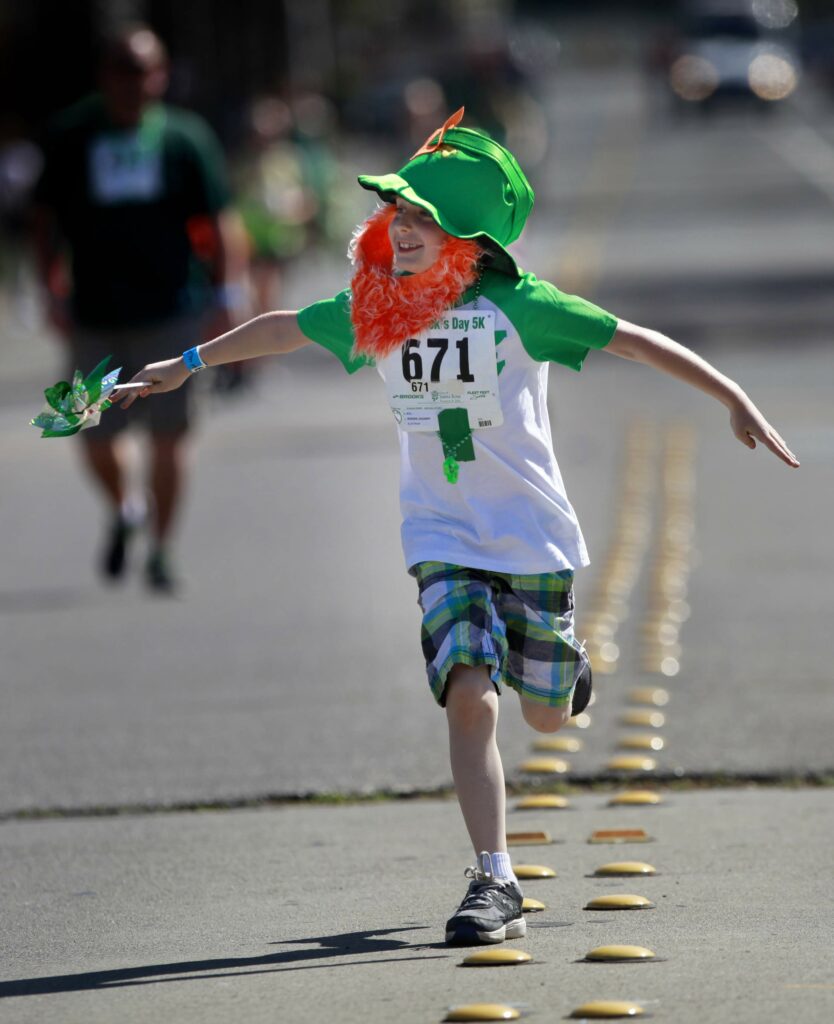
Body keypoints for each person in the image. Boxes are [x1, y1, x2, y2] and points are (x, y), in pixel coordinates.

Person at [118, 109, 798, 942]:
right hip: (441, 537)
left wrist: (734, 396)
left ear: (469, 237)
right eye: (398, 214)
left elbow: (637, 341)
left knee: (546, 715)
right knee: (469, 696)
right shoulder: (378, 310)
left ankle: (564, 670)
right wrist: (182, 366)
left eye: (423, 220)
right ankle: (494, 880)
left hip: (531, 539)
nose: (401, 232)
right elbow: (284, 329)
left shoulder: (523, 308)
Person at [31, 24, 246, 592]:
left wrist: (228, 294)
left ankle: (162, 549)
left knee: (169, 437)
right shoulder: (72, 134)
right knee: (86, 427)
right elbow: (45, 220)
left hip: (173, 311)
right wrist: (48, 287)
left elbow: (220, 218)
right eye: (124, 71)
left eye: (145, 71)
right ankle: (127, 509)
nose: (135, 83)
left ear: (162, 76)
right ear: (105, 77)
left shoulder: (184, 137)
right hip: (93, 313)